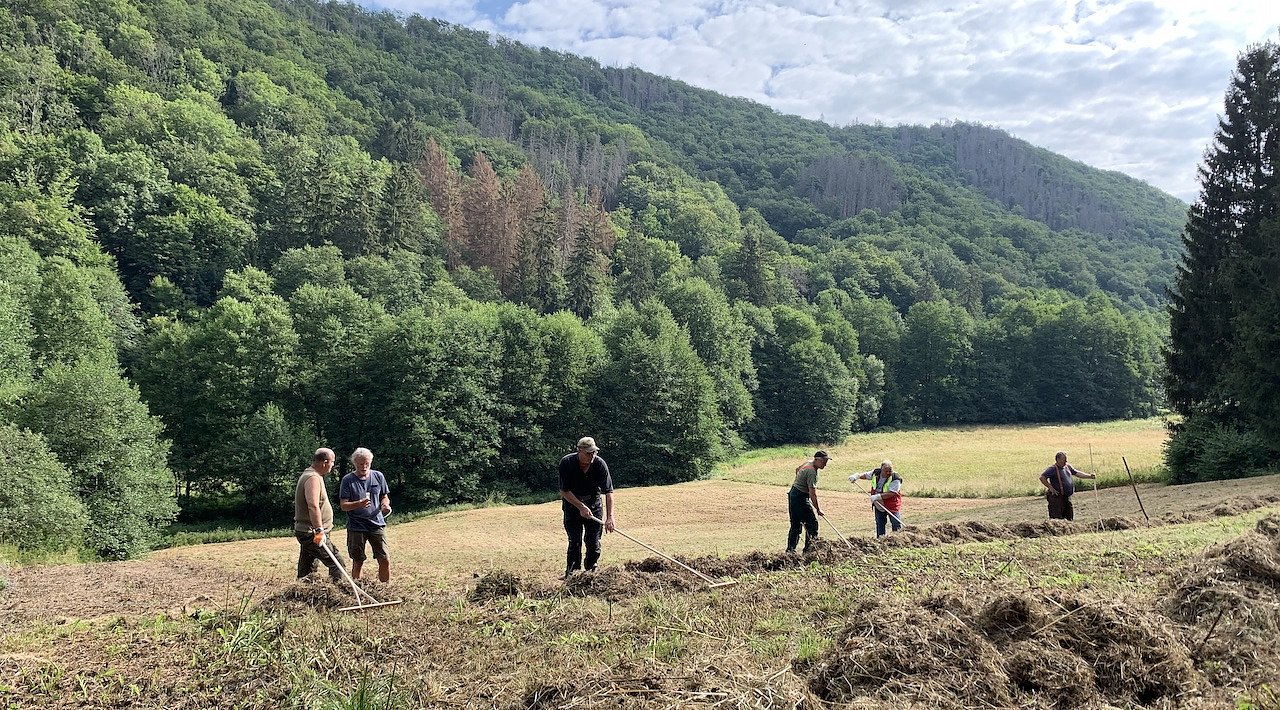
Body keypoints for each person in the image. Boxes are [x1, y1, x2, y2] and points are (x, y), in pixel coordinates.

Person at [558, 436, 615, 578]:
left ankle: (591, 572)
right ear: (579, 451)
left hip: (594, 506)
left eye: (594, 452)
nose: (592, 455)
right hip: (572, 506)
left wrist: (610, 517)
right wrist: (581, 507)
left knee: (593, 541)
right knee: (575, 542)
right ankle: (572, 574)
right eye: (589, 453)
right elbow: (564, 491)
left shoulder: (600, 464)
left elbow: (609, 492)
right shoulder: (566, 463)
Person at [339, 447, 392, 582]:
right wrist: (359, 504)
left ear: (371, 462)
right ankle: (358, 589)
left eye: (367, 463)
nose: (364, 467)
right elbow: (344, 506)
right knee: (358, 561)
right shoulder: (348, 480)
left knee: (384, 558)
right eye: (361, 464)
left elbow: (384, 496)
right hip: (356, 526)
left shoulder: (378, 476)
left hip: (376, 524)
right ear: (354, 463)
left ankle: (385, 588)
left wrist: (385, 504)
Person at [293, 447, 345, 582]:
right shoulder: (312, 478)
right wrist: (319, 531)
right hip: (312, 533)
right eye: (332, 462)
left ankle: (301, 591)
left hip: (309, 532)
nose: (333, 465)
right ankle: (340, 592)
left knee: (307, 570)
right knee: (337, 563)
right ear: (325, 462)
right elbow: (313, 506)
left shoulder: (312, 475)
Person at [787, 451, 829, 554]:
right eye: (824, 461)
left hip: (793, 494)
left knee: (795, 525)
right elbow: (812, 494)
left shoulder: (807, 463)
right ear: (817, 460)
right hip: (800, 497)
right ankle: (809, 551)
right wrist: (818, 509)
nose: (825, 464)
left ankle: (790, 551)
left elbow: (797, 469)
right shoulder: (811, 472)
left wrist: (800, 483)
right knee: (812, 524)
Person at [849, 460, 904, 537]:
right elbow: (866, 475)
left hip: (891, 505)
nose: (888, 473)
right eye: (886, 471)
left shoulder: (895, 478)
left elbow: (892, 493)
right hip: (878, 504)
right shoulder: (876, 473)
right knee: (880, 523)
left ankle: (898, 539)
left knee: (896, 523)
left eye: (890, 471)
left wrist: (877, 496)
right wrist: (857, 476)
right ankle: (880, 539)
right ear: (882, 469)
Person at [1040, 451, 1097, 521]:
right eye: (1064, 460)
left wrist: (1090, 476)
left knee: (1069, 517)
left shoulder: (1068, 467)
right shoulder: (1052, 469)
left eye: (1066, 459)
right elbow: (1042, 477)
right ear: (1058, 459)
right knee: (1057, 519)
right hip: (1057, 498)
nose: (1066, 461)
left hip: (1066, 497)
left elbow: (1077, 473)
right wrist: (1050, 487)